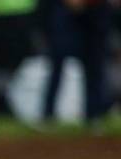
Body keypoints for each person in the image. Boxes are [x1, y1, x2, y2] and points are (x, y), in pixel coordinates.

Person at [41, 0, 114, 128]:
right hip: (65, 11)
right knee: (57, 63)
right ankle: (47, 115)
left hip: (95, 12)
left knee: (94, 67)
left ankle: (93, 115)